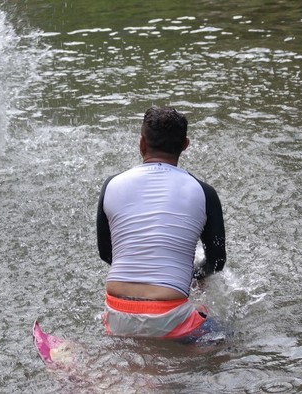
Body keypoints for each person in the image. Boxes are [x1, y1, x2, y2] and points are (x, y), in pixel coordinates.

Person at [96, 106, 226, 340]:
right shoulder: (204, 193)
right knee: (226, 340)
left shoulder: (111, 185)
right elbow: (217, 260)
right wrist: (196, 275)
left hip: (115, 313)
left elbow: (107, 253)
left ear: (141, 144)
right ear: (185, 145)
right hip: (171, 317)